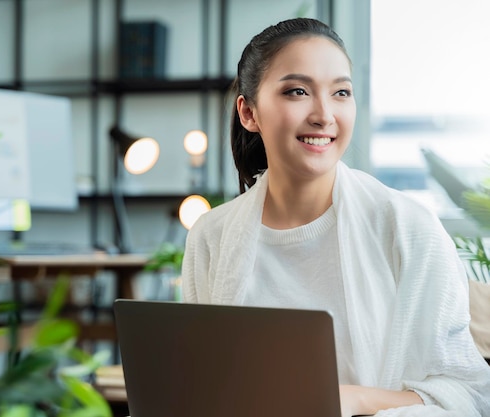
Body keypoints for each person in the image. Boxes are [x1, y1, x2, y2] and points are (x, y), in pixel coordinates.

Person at [181, 17, 490, 417]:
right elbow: (199, 384)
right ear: (248, 112)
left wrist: (349, 398)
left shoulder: (408, 228)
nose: (324, 114)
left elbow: (467, 395)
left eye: (341, 92)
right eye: (297, 91)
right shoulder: (212, 236)